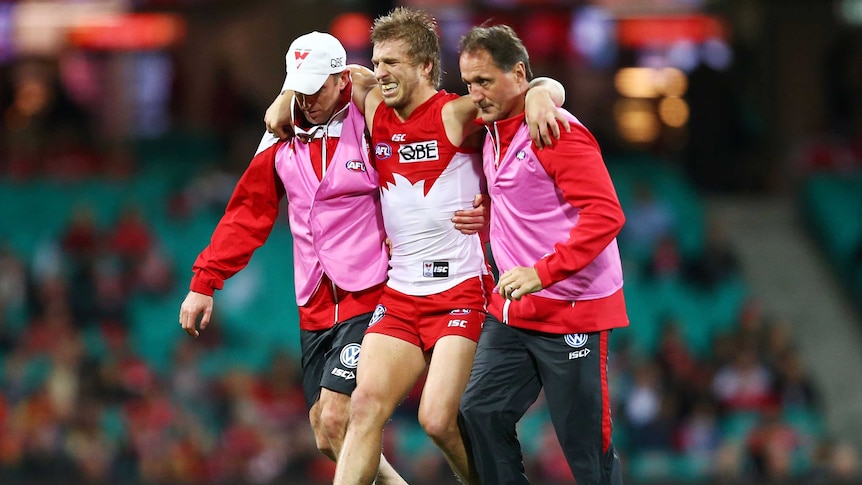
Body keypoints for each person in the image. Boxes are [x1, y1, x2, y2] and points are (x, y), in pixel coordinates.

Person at [262, 9, 565, 485]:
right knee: (361, 408)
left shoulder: (455, 113)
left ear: (425, 67)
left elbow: (520, 88)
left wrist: (546, 91)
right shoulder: (372, 105)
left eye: (393, 63)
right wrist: (285, 97)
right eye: (378, 62)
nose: (381, 72)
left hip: (460, 293)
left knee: (438, 421)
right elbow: (343, 75)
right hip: (401, 295)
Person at [178, 31, 410, 484]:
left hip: (374, 295)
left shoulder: (372, 121)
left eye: (316, 89)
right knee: (326, 432)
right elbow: (248, 211)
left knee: (339, 414)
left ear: (342, 79)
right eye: (297, 91)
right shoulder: (280, 137)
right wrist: (203, 282)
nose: (306, 101)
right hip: (315, 303)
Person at [457, 24, 629, 484]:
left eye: (485, 81)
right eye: (468, 83)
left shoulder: (555, 130)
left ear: (517, 73)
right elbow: (530, 200)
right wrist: (490, 215)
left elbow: (606, 215)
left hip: (572, 307)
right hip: (515, 307)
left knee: (584, 446)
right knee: (479, 411)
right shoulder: (493, 127)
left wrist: (542, 272)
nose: (475, 93)